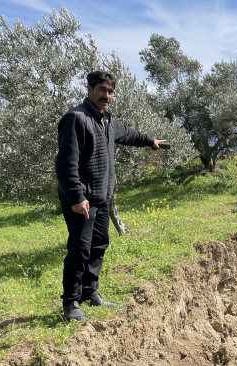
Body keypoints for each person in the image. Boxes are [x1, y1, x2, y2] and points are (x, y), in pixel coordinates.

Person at [55, 71, 164, 321]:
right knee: (79, 249)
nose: (107, 96)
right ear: (90, 89)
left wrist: (150, 140)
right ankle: (71, 303)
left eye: (111, 92)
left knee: (99, 245)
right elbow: (66, 164)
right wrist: (76, 198)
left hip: (102, 198)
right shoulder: (76, 118)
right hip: (83, 200)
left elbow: (128, 134)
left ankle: (90, 292)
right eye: (102, 90)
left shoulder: (106, 121)